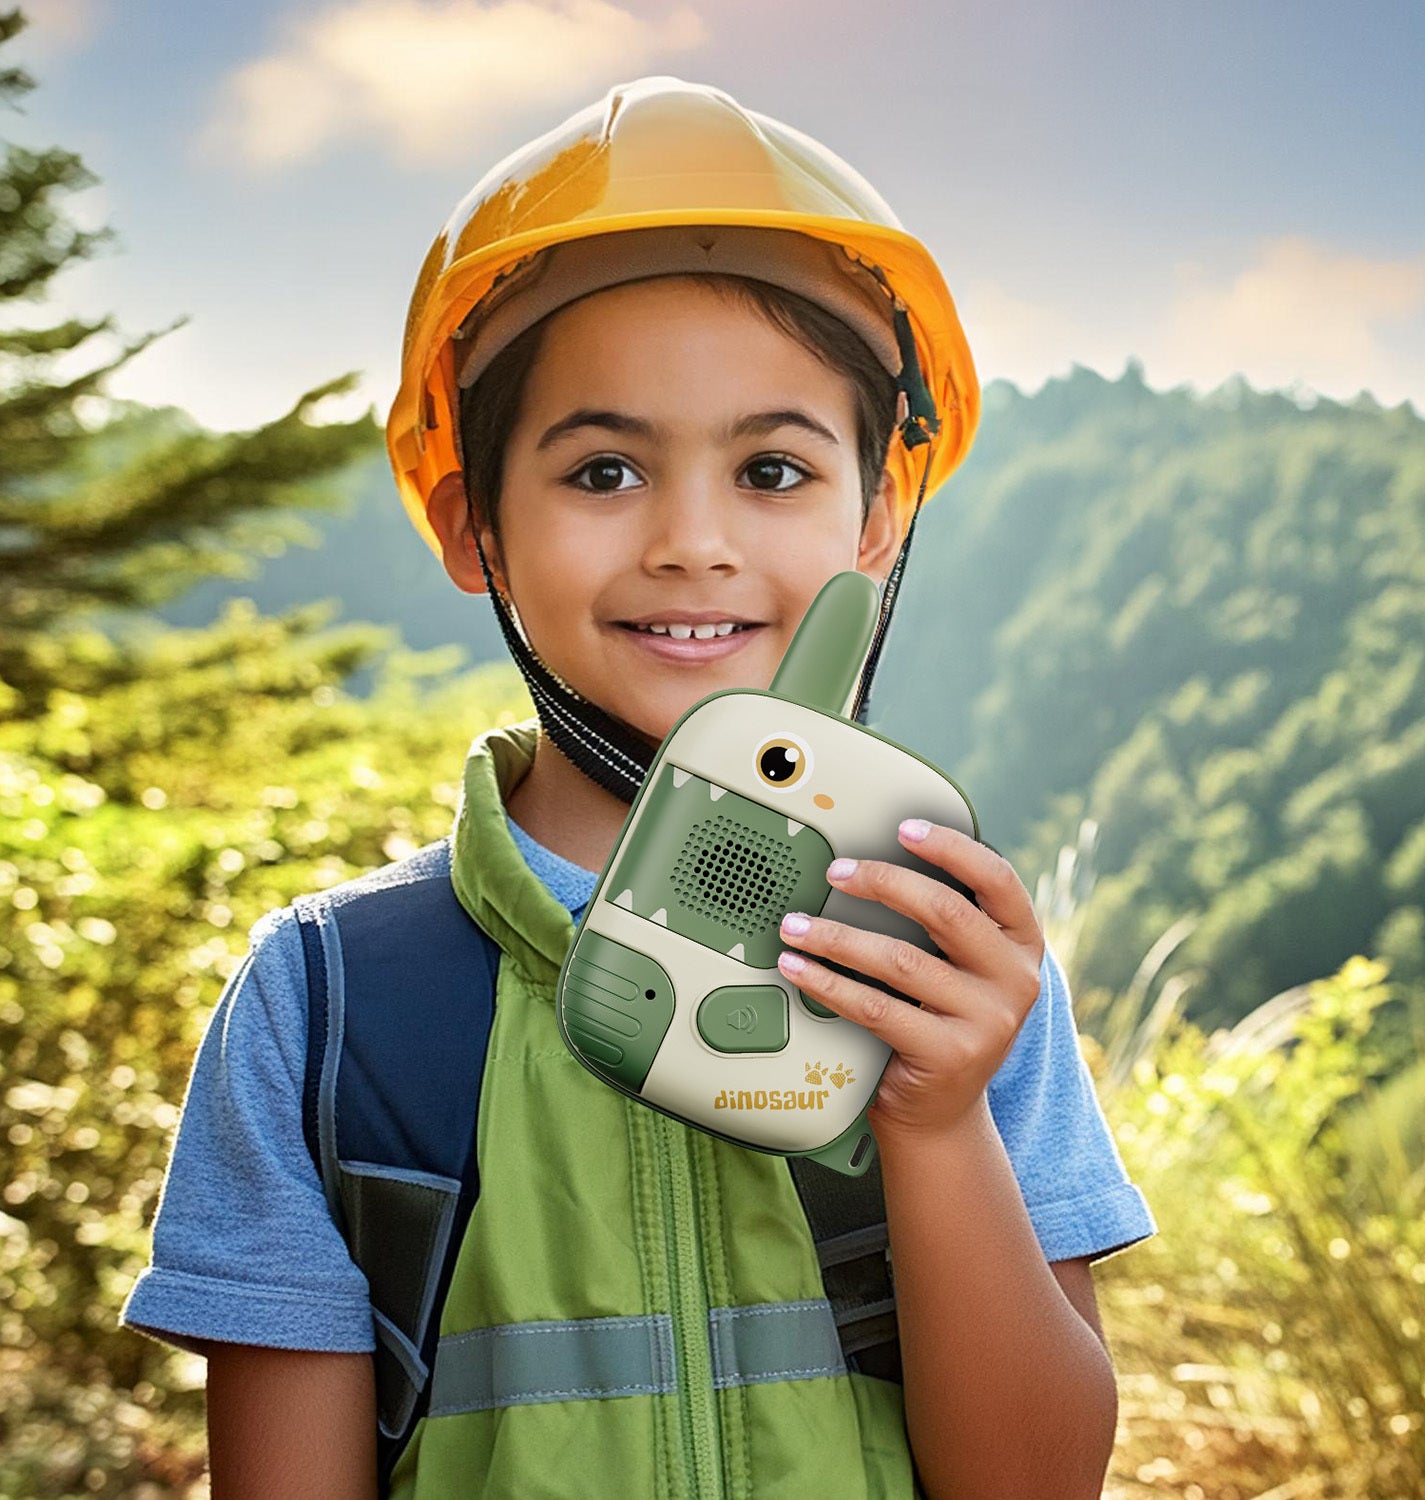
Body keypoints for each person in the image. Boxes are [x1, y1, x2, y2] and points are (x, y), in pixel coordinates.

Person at [120, 76, 1157, 1499]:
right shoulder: (330, 1004)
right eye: (605, 468)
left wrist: (932, 1120)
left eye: (773, 469)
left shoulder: (944, 965)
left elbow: (1034, 1485)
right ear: (470, 523)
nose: (693, 541)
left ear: (877, 519)